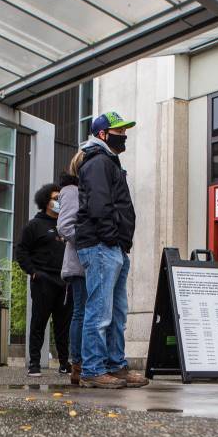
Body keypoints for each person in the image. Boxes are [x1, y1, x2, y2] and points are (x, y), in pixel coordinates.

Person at [74, 111, 148, 389]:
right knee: (99, 311)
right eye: (119, 131)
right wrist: (110, 238)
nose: (124, 135)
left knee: (116, 313)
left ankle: (115, 366)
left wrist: (119, 242)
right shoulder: (98, 162)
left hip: (112, 246)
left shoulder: (108, 161)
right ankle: (93, 369)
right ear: (103, 134)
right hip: (102, 245)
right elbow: (99, 205)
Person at [16, 182, 71, 377]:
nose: (59, 202)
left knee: (63, 325)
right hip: (43, 280)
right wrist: (33, 272)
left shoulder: (66, 224)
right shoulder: (34, 225)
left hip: (64, 281)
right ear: (46, 202)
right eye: (56, 199)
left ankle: (65, 363)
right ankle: (34, 364)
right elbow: (21, 251)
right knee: (39, 322)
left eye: (61, 199)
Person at [57, 152, 86, 386]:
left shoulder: (84, 190)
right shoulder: (71, 191)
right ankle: (77, 362)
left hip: (86, 261)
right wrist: (90, 244)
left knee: (86, 313)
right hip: (80, 263)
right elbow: (65, 226)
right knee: (81, 313)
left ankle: (83, 362)